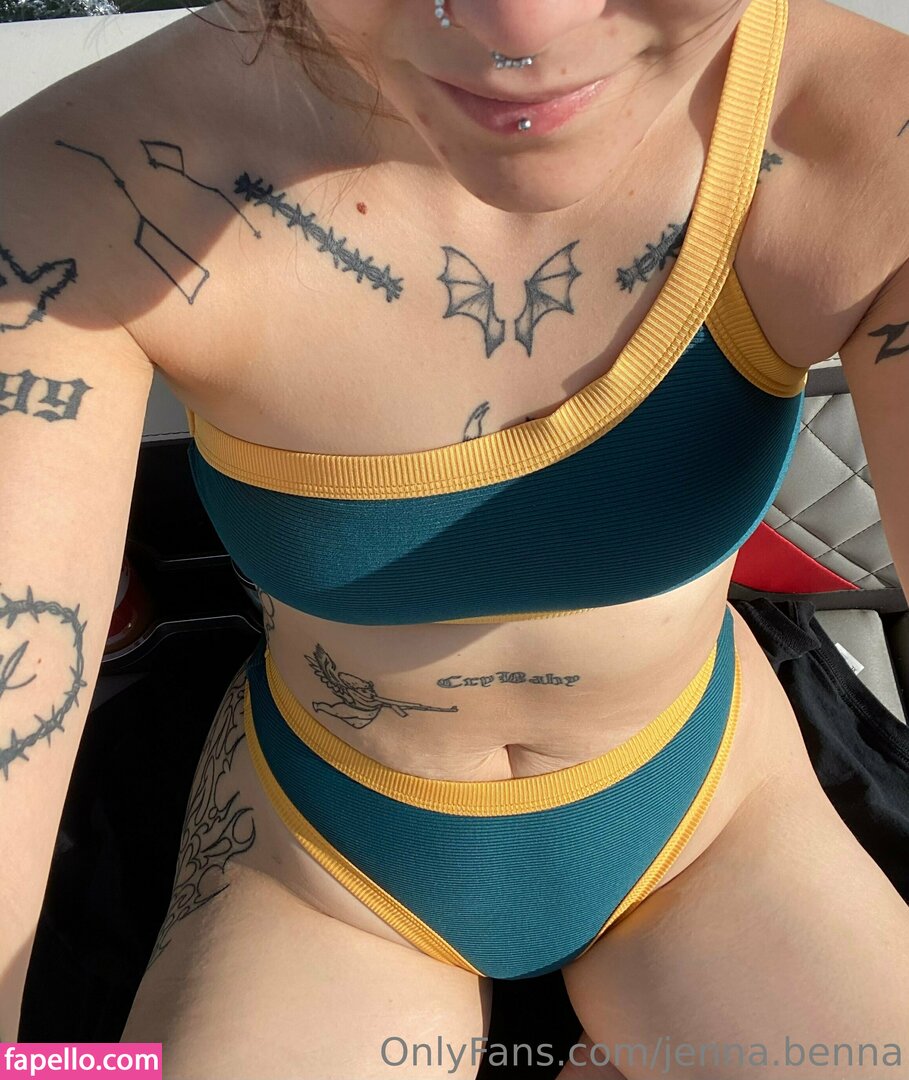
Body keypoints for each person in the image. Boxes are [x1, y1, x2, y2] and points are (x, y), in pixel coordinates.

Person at [1, 0, 908, 1074]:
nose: (525, 21)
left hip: (707, 814)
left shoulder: (863, 132)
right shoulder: (70, 193)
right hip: (327, 850)